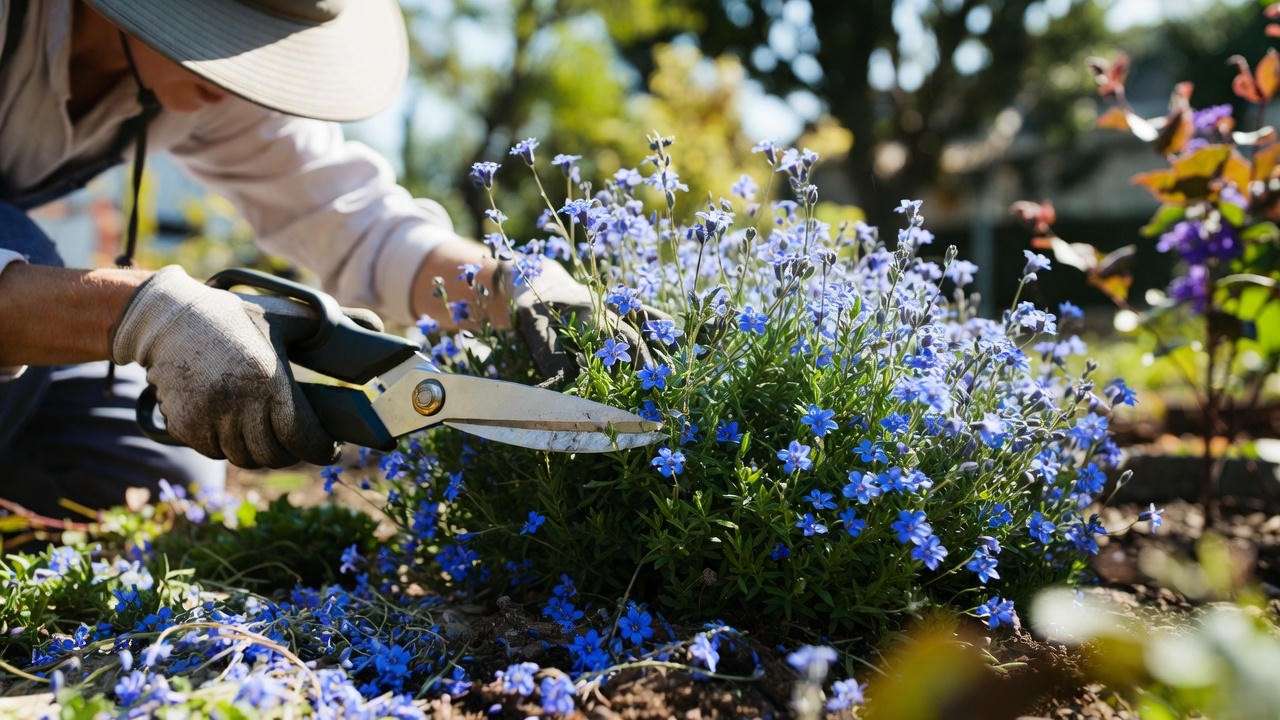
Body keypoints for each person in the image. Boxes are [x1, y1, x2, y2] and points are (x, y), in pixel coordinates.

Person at [0, 0, 634, 517]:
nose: (242, 68)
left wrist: (508, 283)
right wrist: (142, 314)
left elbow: (355, 223)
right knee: (28, 250)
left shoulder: (211, 83)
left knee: (157, 475)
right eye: (219, 30)